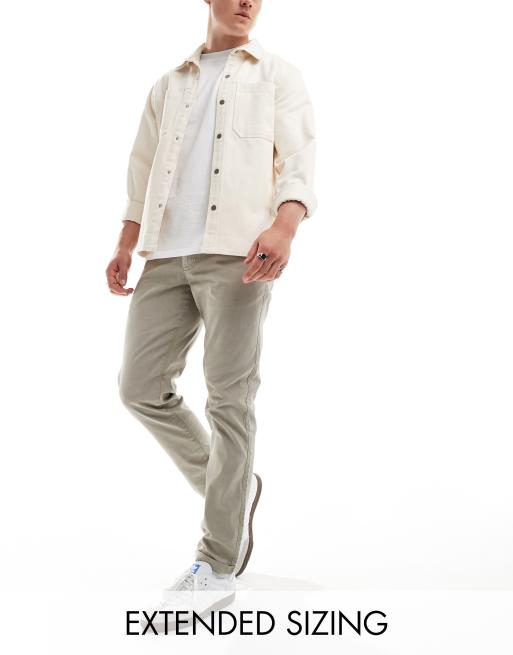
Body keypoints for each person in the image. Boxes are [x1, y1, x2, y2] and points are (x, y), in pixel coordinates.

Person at [105, 0, 317, 630]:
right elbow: (143, 167)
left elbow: (298, 161)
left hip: (239, 254)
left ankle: (218, 562)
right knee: (140, 388)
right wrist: (126, 243)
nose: (248, 3)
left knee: (229, 399)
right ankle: (235, 489)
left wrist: (285, 227)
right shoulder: (169, 83)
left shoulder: (277, 75)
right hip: (166, 254)